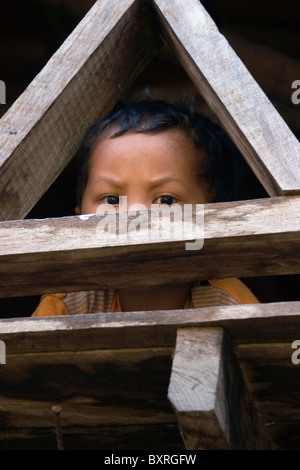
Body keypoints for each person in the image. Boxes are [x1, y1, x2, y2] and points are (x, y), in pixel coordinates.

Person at [32, 99, 258, 316]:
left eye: (166, 200)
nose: (135, 218)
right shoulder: (69, 307)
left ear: (216, 221)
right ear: (77, 220)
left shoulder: (230, 305)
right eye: (111, 200)